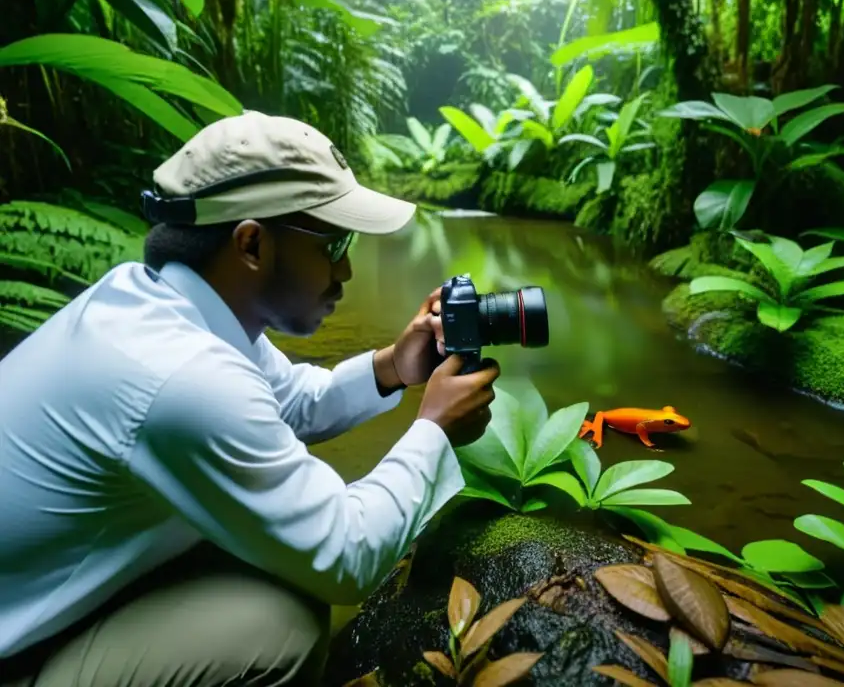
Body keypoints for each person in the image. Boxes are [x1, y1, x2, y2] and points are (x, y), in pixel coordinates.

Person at [0, 111, 501, 686]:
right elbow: (345, 556)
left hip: (39, 597)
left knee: (270, 562)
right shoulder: (179, 374)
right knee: (280, 628)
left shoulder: (162, 303)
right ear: (252, 243)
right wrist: (434, 428)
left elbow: (291, 401)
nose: (346, 270)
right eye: (333, 243)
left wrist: (393, 367)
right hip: (15, 653)